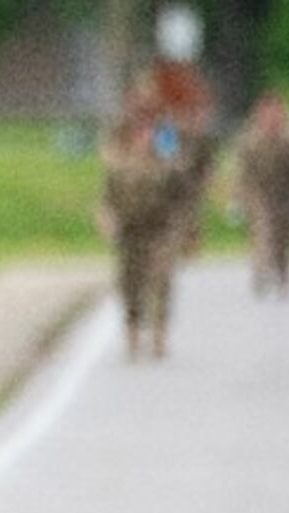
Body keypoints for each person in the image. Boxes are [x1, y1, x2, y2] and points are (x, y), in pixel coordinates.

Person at [99, 105, 192, 360]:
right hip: (130, 234)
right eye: (139, 132)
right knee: (129, 284)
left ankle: (159, 334)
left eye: (148, 132)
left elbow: (183, 198)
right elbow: (107, 199)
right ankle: (132, 333)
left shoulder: (168, 165)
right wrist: (107, 220)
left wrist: (184, 229)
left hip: (160, 232)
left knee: (161, 280)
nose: (144, 138)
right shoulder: (119, 166)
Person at [236, 93, 289, 296]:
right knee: (263, 232)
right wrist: (238, 194)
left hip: (285, 193)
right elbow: (243, 170)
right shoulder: (250, 139)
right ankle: (261, 270)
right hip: (258, 193)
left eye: (276, 112)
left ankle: (283, 273)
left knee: (283, 237)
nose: (271, 117)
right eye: (267, 113)